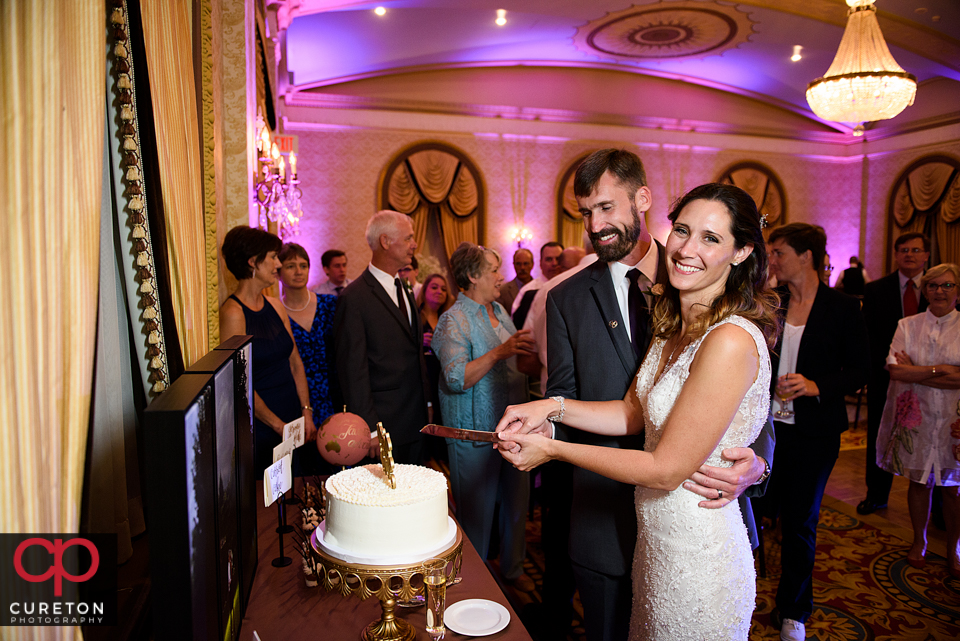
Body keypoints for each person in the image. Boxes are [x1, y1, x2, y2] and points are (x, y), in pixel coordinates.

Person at [496, 182, 780, 640]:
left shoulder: (729, 339)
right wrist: (553, 406)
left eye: (711, 238)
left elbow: (666, 469)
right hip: (658, 548)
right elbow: (632, 413)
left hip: (699, 553)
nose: (686, 249)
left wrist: (554, 452)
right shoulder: (673, 328)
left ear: (743, 251)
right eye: (683, 230)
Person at [765, 223, 869, 641]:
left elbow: (862, 369)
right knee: (753, 511)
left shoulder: (842, 307)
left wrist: (815, 385)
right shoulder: (773, 304)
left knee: (800, 521)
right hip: (766, 428)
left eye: (779, 254)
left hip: (814, 432)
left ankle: (794, 610)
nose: (772, 261)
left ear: (806, 256)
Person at [432, 243, 537, 591]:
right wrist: (500, 351)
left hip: (513, 432)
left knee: (515, 508)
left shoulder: (500, 310)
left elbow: (516, 361)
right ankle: (473, 585)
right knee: (477, 517)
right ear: (473, 276)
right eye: (493, 269)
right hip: (474, 435)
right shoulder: (453, 320)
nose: (501, 275)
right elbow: (456, 378)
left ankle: (513, 572)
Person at [875, 263, 960, 576]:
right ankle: (919, 540)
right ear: (924, 291)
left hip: (955, 421)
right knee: (919, 482)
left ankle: (954, 548)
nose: (939, 291)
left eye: (947, 285)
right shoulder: (907, 325)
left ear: (957, 291)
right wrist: (947, 370)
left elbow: (909, 371)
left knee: (954, 488)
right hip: (918, 417)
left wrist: (919, 372)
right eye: (933, 286)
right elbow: (896, 370)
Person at [331, 211, 431, 463]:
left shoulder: (405, 287)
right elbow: (353, 370)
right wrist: (370, 428)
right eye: (408, 238)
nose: (414, 244)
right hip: (383, 423)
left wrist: (427, 403)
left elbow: (414, 351)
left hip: (415, 418)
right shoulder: (354, 298)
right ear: (386, 241)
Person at [219, 226, 315, 475]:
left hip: (292, 415)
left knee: (298, 488)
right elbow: (240, 382)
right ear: (253, 262)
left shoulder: (275, 305)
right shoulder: (233, 313)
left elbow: (295, 362)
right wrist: (276, 425)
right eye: (272, 257)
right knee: (271, 500)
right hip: (261, 424)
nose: (278, 263)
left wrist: (306, 412)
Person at [857, 232, 930, 515]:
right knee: (880, 435)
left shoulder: (940, 288)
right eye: (904, 250)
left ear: (926, 255)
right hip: (885, 377)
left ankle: (935, 506)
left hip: (929, 381)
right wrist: (888, 363)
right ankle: (876, 494)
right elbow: (868, 336)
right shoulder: (877, 290)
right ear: (896, 254)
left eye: (916, 250)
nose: (909, 255)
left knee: (928, 438)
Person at [278, 243, 338, 474]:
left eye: (303, 265)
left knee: (338, 456)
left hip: (333, 392)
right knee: (305, 465)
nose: (298, 271)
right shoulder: (276, 312)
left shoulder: (329, 304)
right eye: (291, 266)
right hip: (297, 396)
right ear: (279, 271)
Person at [416, 272, 454, 430]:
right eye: (434, 287)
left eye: (444, 289)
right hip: (423, 379)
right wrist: (419, 342)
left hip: (443, 378)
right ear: (424, 291)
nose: (439, 291)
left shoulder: (448, 320)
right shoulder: (415, 317)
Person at [512, 241, 564, 328]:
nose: (554, 263)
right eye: (549, 259)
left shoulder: (571, 288)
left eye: (558, 259)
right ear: (540, 263)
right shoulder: (527, 291)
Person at [498, 247, 534, 312]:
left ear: (532, 264)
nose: (522, 267)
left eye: (526, 263)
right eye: (518, 264)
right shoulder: (503, 291)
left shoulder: (540, 288)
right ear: (514, 265)